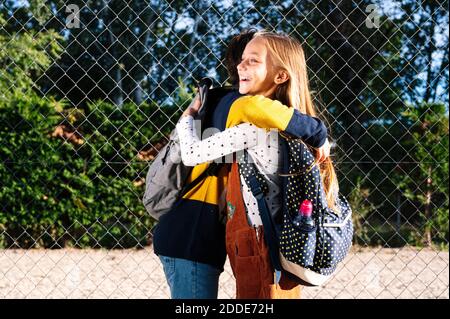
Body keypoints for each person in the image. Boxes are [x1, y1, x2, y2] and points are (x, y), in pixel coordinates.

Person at [152, 30, 330, 299]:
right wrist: (319, 133)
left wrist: (186, 118)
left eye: (253, 60)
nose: (242, 66)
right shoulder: (240, 106)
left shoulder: (222, 104)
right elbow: (270, 113)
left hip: (200, 229)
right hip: (192, 229)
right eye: (244, 60)